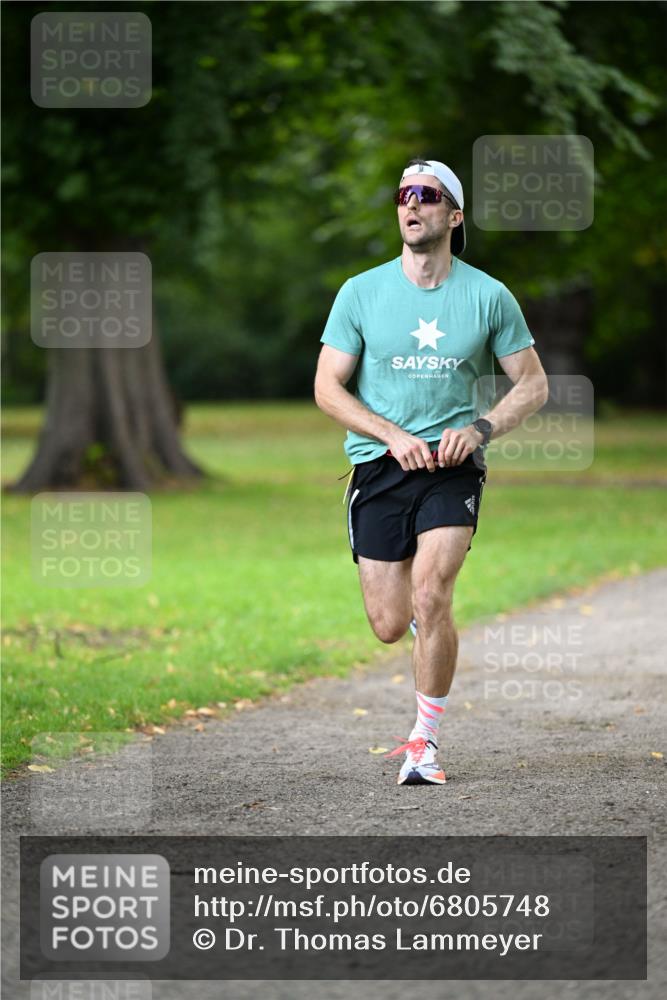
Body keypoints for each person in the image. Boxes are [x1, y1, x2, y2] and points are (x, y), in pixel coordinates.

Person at [314, 158, 548, 785]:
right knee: (391, 624)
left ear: (455, 214)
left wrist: (480, 429)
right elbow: (326, 388)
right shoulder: (360, 293)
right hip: (378, 469)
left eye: (428, 195)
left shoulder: (488, 295)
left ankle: (425, 743)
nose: (412, 205)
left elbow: (533, 384)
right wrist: (391, 436)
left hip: (453, 469)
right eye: (403, 195)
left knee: (432, 591)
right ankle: (425, 629)